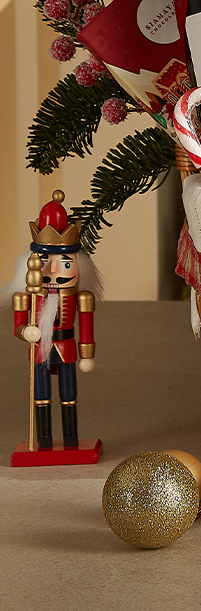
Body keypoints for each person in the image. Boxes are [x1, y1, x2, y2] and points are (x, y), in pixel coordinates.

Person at [10, 191, 99, 453]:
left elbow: (87, 327)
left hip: (67, 346)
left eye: (64, 263)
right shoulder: (27, 296)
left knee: (68, 396)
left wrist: (87, 353)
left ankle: (71, 441)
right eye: (45, 262)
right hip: (39, 349)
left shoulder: (80, 296)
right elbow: (17, 326)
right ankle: (44, 442)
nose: (53, 271)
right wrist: (25, 330)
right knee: (41, 397)